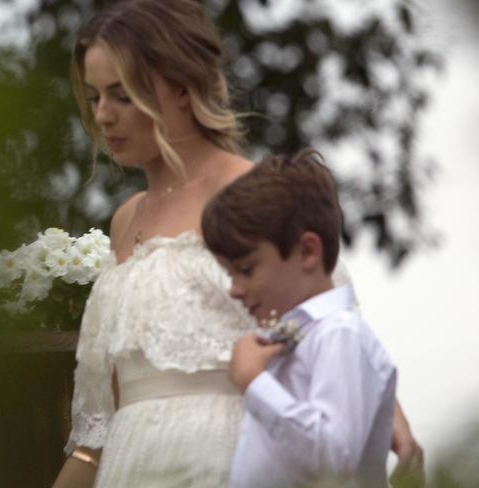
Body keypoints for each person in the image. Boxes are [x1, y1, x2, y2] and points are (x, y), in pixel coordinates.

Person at [52, 1, 422, 487]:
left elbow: (329, 317)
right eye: (95, 96)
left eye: (122, 95)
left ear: (181, 88)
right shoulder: (124, 221)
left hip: (228, 458)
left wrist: (385, 412)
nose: (103, 115)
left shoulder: (251, 193)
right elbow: (97, 430)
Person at [202, 150, 396, 487]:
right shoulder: (285, 338)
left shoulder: (340, 334)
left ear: (307, 251)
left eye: (245, 270)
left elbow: (336, 460)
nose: (233, 289)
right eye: (229, 273)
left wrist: (254, 383)